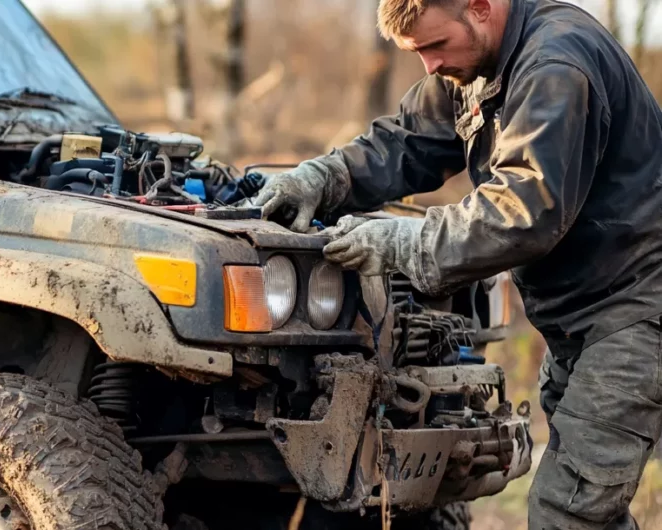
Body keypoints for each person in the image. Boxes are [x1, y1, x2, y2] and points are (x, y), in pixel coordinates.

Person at [251, 0, 662, 527]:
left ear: (480, 7)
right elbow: (406, 141)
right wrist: (324, 178)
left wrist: (405, 242)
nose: (429, 65)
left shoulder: (555, 65)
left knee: (569, 512)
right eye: (418, 51)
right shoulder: (477, 64)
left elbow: (522, 212)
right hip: (583, 315)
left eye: (435, 45)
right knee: (590, 511)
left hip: (634, 309)